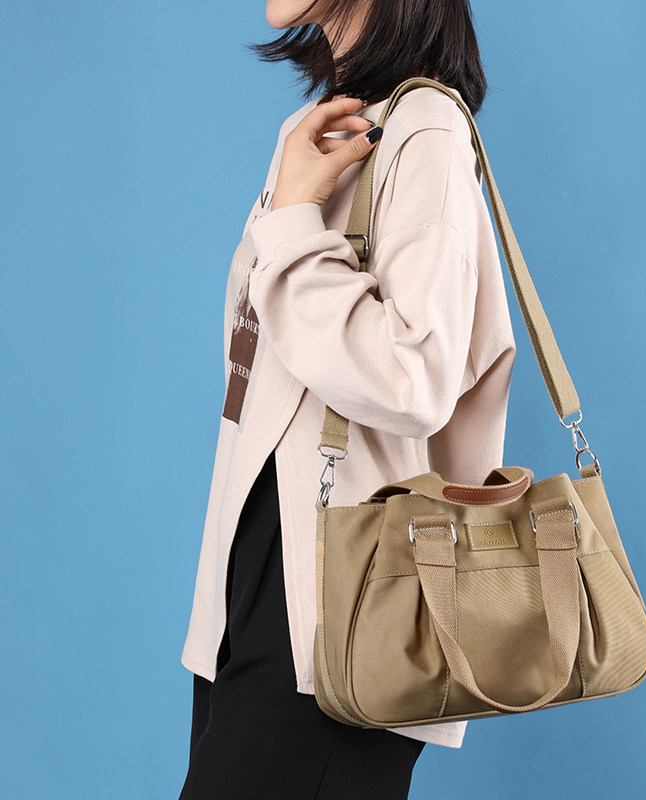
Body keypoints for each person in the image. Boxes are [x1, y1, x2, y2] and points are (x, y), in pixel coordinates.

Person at [178, 1, 517, 797]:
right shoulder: (329, 130)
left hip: (350, 613)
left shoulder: (426, 132)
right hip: (261, 587)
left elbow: (413, 378)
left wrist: (295, 221)